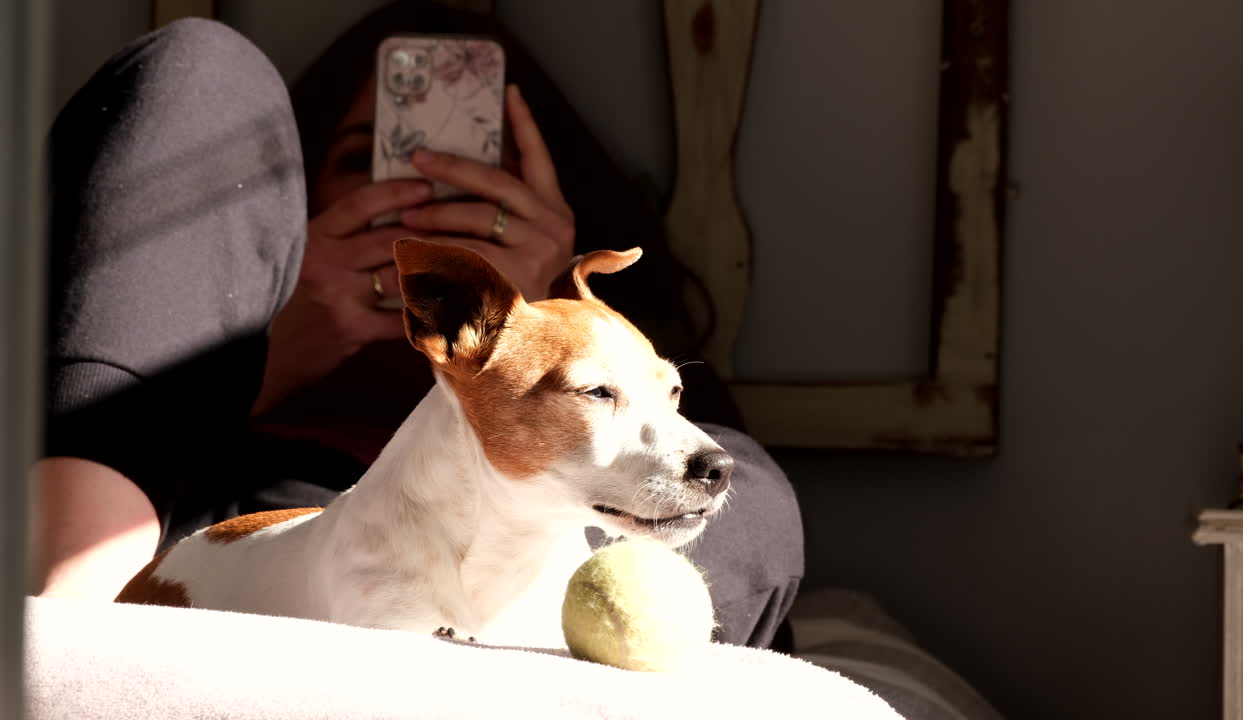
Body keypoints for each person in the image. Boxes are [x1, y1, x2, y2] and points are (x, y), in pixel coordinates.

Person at [32, 0, 803, 649]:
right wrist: (271, 348)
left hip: (562, 542)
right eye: (366, 165)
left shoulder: (591, 325)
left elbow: (686, 452)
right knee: (197, 66)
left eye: (480, 176)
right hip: (225, 512)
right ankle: (63, 606)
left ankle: (598, 625)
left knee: (755, 490)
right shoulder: (253, 305)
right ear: (281, 211)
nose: (420, 209)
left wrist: (546, 325)